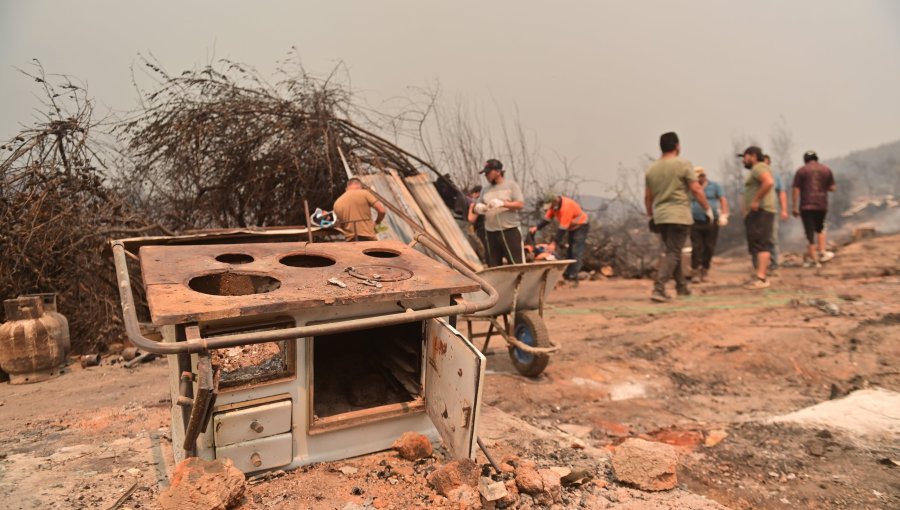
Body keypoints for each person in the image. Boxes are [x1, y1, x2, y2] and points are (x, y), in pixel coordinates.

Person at [644, 132, 712, 302]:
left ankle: (681, 287)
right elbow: (696, 189)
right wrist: (707, 208)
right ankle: (658, 288)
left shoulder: (652, 169)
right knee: (674, 252)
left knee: (671, 251)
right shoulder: (683, 164)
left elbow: (648, 197)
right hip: (678, 214)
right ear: (677, 146)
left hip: (661, 215)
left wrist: (651, 215)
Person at [470, 158, 525, 267]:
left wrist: (503, 204)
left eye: (488, 173)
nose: (486, 176)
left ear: (498, 172)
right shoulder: (486, 190)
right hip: (491, 233)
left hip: (509, 231)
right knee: (493, 265)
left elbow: (520, 204)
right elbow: (475, 207)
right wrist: (479, 208)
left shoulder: (511, 186)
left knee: (515, 265)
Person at [528, 193, 589, 283]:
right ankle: (568, 273)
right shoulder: (554, 206)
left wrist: (554, 243)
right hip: (571, 227)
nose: (550, 207)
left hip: (581, 225)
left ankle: (573, 275)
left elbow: (562, 229)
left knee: (575, 250)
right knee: (570, 250)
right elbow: (547, 219)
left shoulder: (566, 207)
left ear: (555, 201)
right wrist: (537, 227)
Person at [738, 146, 776, 289]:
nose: (743, 160)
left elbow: (768, 182)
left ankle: (761, 278)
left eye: (745, 157)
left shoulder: (759, 167)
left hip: (761, 211)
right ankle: (759, 275)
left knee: (761, 243)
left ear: (753, 156)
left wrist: (756, 200)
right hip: (757, 212)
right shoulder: (757, 169)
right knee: (757, 243)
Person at [792, 150, 836, 268]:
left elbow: (796, 189)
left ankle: (813, 260)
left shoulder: (801, 171)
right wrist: (821, 187)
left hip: (806, 205)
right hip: (821, 204)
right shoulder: (826, 170)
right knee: (820, 228)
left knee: (809, 232)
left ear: (805, 160)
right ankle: (822, 252)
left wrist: (794, 207)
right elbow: (832, 188)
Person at [688, 167, 728, 283]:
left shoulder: (714, 186)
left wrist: (724, 214)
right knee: (696, 246)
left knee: (709, 247)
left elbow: (722, 199)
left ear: (703, 176)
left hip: (711, 220)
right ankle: (695, 271)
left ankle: (705, 269)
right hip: (695, 220)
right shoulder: (691, 187)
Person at [752, 154, 789, 273]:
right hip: (755, 211)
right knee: (755, 238)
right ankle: (758, 265)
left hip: (769, 210)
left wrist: (784, 209)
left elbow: (782, 193)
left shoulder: (775, 176)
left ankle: (774, 264)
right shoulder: (753, 175)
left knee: (771, 237)